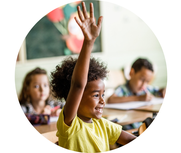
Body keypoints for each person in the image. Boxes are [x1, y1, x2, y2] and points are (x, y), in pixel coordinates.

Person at [50, 2, 136, 152]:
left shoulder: (103, 125)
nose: (102, 100)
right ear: (75, 96)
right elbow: (78, 85)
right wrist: (88, 42)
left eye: (102, 94)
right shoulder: (70, 124)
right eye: (96, 95)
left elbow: (130, 140)